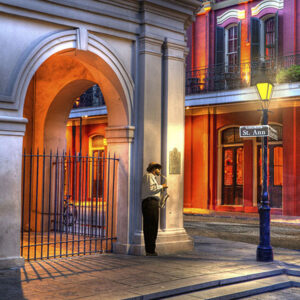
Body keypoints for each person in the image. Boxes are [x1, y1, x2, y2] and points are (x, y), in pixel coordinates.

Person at [141, 162, 168, 256]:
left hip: (151, 203)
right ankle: (150, 250)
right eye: (158, 169)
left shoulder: (151, 177)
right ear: (154, 169)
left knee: (152, 227)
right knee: (151, 227)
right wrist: (162, 186)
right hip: (150, 202)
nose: (159, 171)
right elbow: (151, 189)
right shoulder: (149, 176)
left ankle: (151, 250)